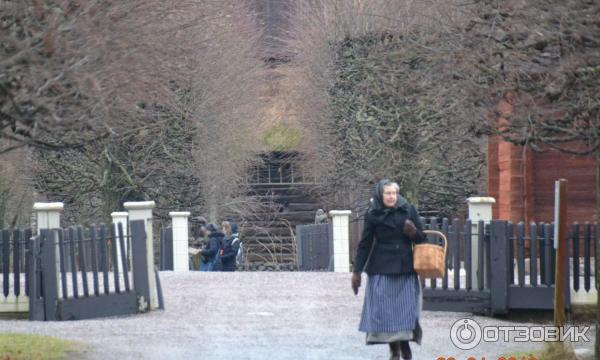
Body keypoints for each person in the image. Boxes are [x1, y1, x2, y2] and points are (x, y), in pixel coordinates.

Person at [351, 179, 426, 360]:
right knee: (386, 311)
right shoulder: (373, 214)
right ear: (380, 195)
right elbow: (365, 244)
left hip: (405, 267)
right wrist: (357, 271)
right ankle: (394, 349)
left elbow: (423, 240)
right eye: (388, 193)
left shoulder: (408, 209)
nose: (391, 197)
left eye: (394, 193)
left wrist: (413, 233)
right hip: (381, 267)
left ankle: (406, 344)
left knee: (406, 309)